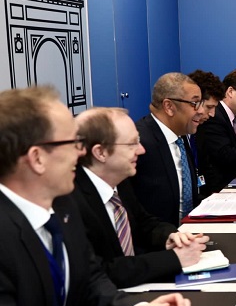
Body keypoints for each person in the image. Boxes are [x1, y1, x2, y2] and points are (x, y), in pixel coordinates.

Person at [0, 86, 190, 306]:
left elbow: (91, 279)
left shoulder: (62, 204)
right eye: (72, 142)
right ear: (37, 158)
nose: (81, 152)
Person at [71, 107, 209, 287]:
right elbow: (101, 271)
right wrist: (174, 259)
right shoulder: (72, 200)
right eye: (132, 144)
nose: (142, 150)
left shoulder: (120, 180)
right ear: (101, 152)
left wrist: (169, 236)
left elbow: (143, 222)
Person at [131, 73, 203, 226]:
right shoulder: (139, 143)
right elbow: (134, 211)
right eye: (194, 103)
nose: (201, 111)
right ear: (169, 107)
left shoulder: (181, 135)